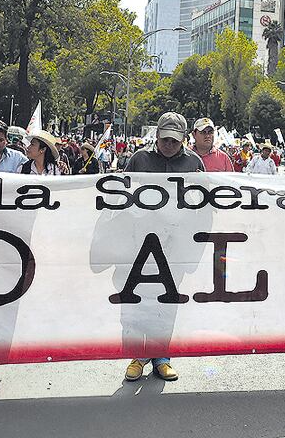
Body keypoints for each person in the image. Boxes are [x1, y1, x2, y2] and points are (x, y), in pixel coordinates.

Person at [124, 112, 204, 383]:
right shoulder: (138, 159)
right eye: (165, 139)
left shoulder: (194, 163)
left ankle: (162, 357)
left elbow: (202, 206)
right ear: (157, 135)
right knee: (138, 301)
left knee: (167, 301)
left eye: (175, 140)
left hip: (176, 246)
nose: (170, 145)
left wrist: (198, 245)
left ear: (183, 139)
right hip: (141, 243)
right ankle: (138, 356)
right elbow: (121, 198)